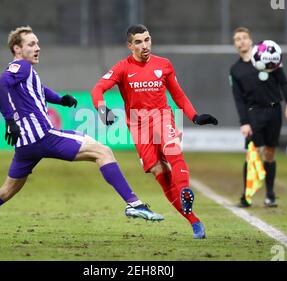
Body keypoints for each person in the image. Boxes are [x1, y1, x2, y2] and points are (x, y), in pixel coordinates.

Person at [0, 26, 163, 242]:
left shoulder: (24, 71)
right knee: (103, 152)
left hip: (25, 146)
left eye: (37, 43)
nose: (38, 48)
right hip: (44, 137)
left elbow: (40, 90)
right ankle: (134, 204)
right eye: (31, 44)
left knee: (6, 191)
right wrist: (9, 121)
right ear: (17, 49)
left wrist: (60, 99)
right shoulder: (21, 66)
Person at [91, 24, 218, 239]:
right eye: (139, 42)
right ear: (130, 45)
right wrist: (102, 110)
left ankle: (185, 191)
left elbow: (178, 95)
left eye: (147, 39)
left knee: (172, 149)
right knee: (160, 172)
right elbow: (98, 89)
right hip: (138, 126)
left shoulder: (164, 65)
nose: (145, 45)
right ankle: (194, 221)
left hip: (162, 117)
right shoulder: (122, 68)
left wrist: (194, 116)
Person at [229, 27, 287, 208]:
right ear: (235, 44)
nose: (241, 41)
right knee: (252, 153)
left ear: (251, 41)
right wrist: (244, 122)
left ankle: (270, 195)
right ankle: (246, 195)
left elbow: (284, 82)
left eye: (244, 38)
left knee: (269, 153)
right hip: (253, 114)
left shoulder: (269, 57)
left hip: (274, 111)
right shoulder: (235, 70)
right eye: (237, 39)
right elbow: (238, 98)